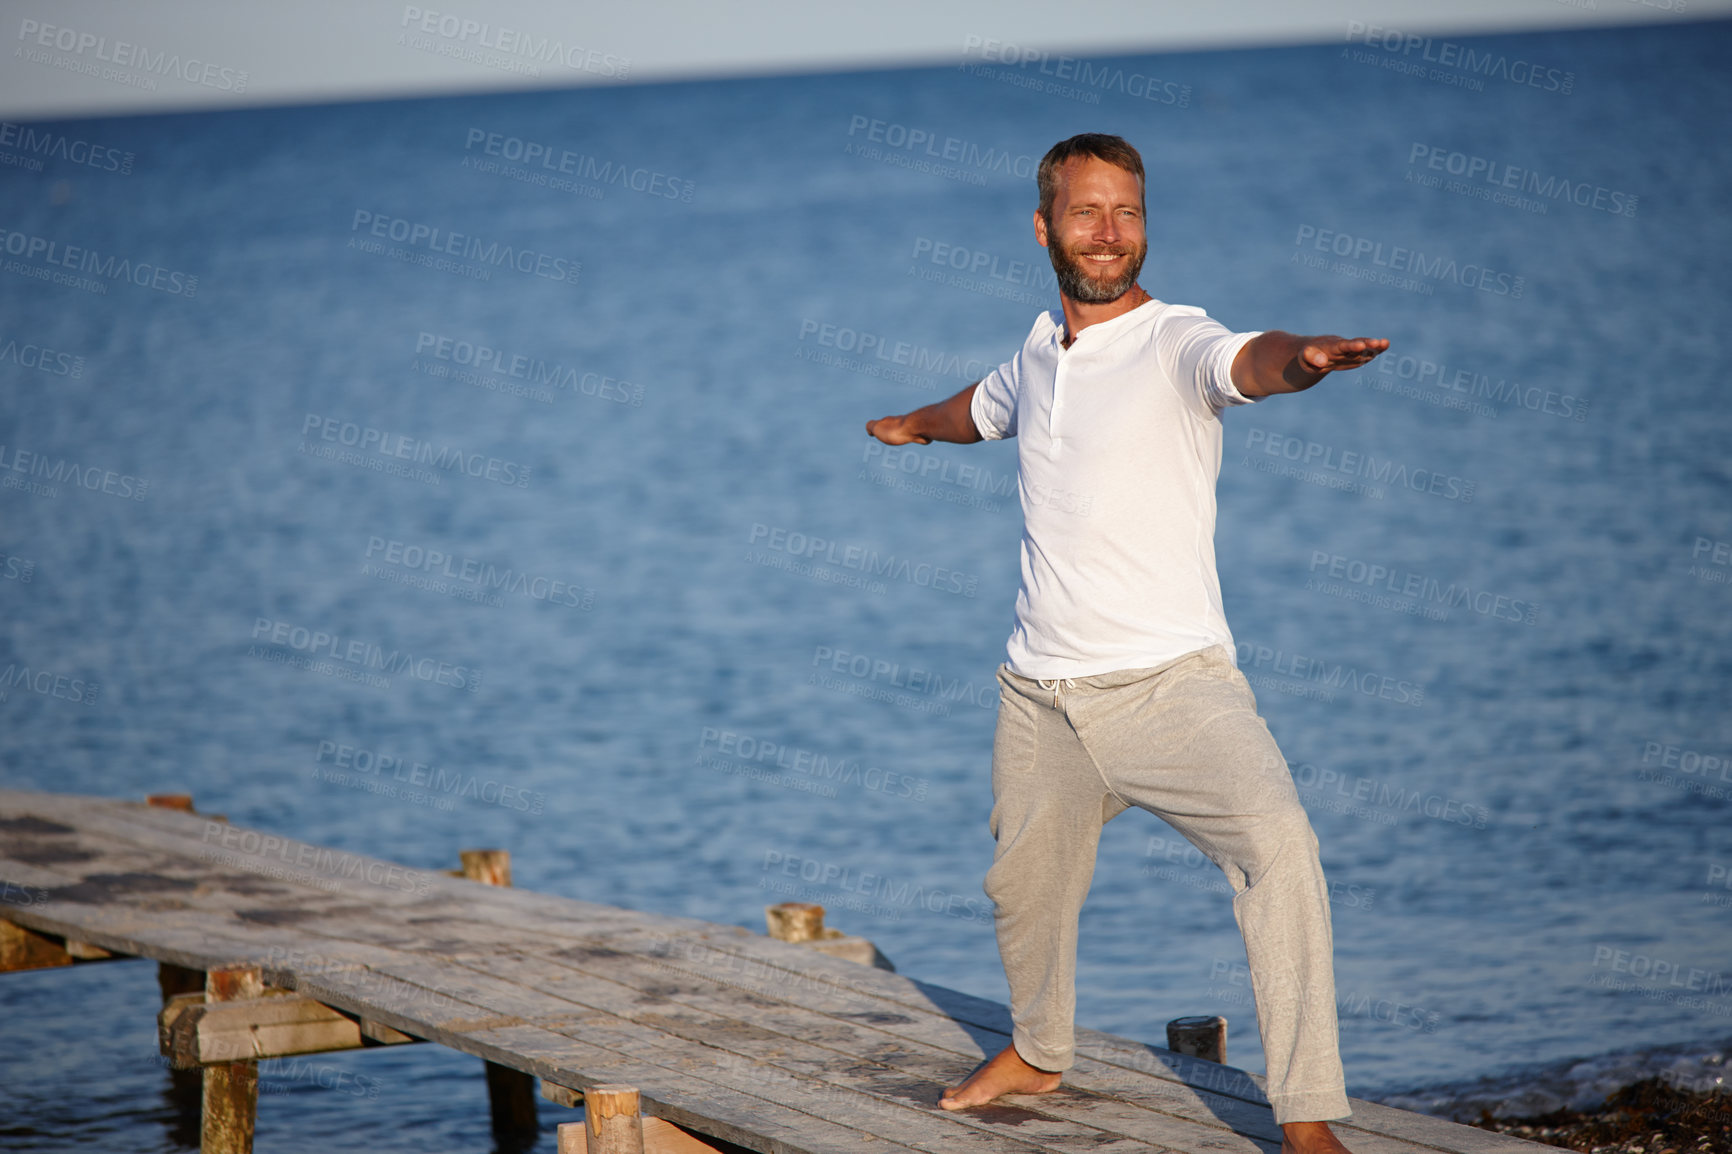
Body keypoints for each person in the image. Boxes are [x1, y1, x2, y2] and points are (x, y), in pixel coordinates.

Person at [864, 133, 1388, 1154]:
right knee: (1023, 886)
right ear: (1043, 227)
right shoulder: (1034, 354)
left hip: (1171, 690)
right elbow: (980, 409)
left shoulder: (1175, 341)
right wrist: (914, 425)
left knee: (1278, 847)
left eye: (1128, 212)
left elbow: (1248, 358)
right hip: (1040, 696)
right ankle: (1038, 1049)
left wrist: (1304, 361)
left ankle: (1308, 1113)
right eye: (1086, 212)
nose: (1109, 233)